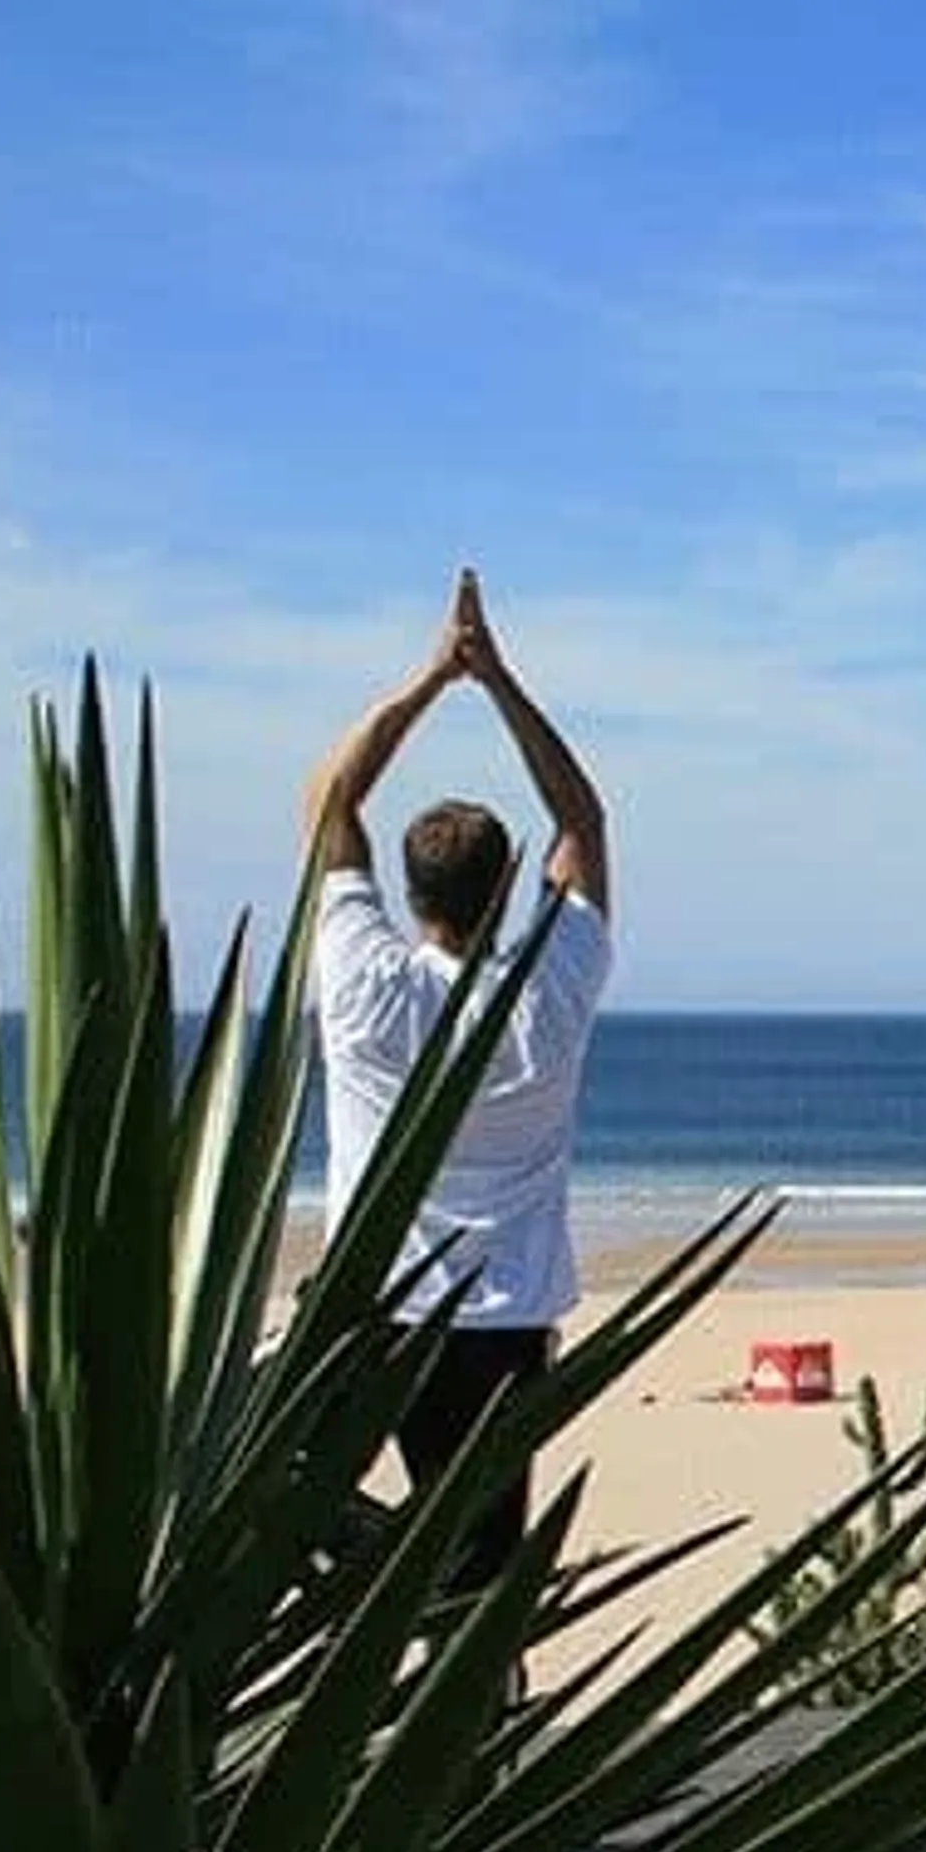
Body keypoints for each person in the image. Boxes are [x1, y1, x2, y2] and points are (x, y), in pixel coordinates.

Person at [305, 567, 614, 1632]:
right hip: (507, 1321)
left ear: (412, 893)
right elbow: (582, 818)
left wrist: (432, 679)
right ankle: (468, 1729)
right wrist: (501, 683)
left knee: (352, 1532)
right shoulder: (551, 991)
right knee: (481, 1559)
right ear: (502, 886)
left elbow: (333, 803)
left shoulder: (362, 985)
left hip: (378, 1315)